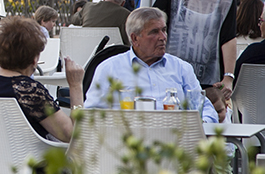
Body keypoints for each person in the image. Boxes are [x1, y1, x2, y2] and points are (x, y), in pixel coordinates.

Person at [84, 7, 218, 122]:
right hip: (128, 143)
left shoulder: (181, 68)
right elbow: (91, 113)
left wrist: (204, 123)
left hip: (175, 142)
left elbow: (204, 107)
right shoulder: (109, 69)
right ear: (135, 39)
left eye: (164, 30)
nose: (163, 37)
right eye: (154, 32)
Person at [153, 0, 236, 109]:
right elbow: (154, 22)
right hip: (170, 73)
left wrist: (228, 77)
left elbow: (228, 37)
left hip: (208, 79)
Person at [0, 16, 82, 142]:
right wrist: (75, 86)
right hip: (28, 159)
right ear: (35, 59)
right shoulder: (28, 90)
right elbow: (73, 136)